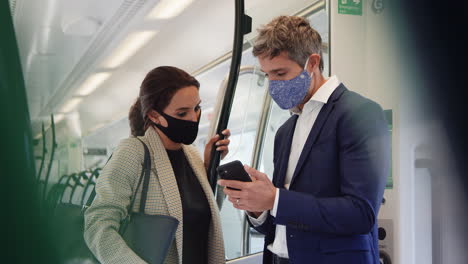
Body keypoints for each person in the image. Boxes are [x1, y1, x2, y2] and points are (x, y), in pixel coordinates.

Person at [218, 16, 390, 264]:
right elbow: (284, 224)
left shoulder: (359, 113)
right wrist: (259, 207)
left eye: (280, 73)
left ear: (313, 63)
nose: (273, 84)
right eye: (268, 76)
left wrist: (275, 199)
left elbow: (361, 214)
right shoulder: (285, 130)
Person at [84, 66, 230, 264]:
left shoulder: (193, 156)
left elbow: (203, 220)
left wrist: (210, 167)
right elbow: (97, 224)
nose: (193, 118)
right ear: (153, 116)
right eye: (181, 113)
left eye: (196, 108)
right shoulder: (133, 152)